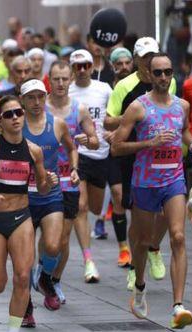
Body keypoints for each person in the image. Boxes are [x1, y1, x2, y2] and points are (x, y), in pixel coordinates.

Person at [111, 53, 192, 330]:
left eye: (167, 72)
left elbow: (183, 132)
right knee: (143, 241)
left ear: (172, 74)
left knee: (179, 237)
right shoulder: (138, 107)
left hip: (173, 179)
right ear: (149, 73)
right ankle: (140, 284)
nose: (163, 77)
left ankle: (178, 306)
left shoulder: (182, 106)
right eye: (157, 72)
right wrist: (148, 143)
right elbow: (116, 147)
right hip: (145, 182)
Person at [0, 95, 57, 332]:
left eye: (18, 113)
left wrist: (50, 182)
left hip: (21, 217)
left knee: (23, 276)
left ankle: (13, 327)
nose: (15, 118)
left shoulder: (34, 151)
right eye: (8, 114)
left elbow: (43, 188)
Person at [105, 37, 175, 291]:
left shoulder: (170, 80)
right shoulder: (125, 86)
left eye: (153, 56)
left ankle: (154, 247)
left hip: (165, 155)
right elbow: (108, 122)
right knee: (139, 218)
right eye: (145, 57)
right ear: (136, 60)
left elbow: (174, 112)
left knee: (168, 211)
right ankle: (136, 265)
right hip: (134, 156)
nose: (149, 62)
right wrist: (133, 117)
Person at [19, 79, 78, 326]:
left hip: (51, 193)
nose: (36, 102)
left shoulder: (58, 124)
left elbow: (72, 148)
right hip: (21, 198)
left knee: (54, 245)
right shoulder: (14, 126)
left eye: (40, 97)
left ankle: (45, 278)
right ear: (22, 100)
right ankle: (26, 307)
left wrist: (74, 169)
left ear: (46, 98)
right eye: (30, 98)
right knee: (24, 259)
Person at [67, 50, 130, 270]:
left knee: (95, 208)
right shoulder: (68, 91)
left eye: (86, 65)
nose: (82, 70)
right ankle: (88, 260)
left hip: (103, 153)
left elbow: (116, 115)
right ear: (72, 69)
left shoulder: (104, 89)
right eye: (77, 66)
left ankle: (103, 224)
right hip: (79, 155)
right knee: (81, 206)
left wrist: (115, 133)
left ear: (92, 67)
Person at [43, 60, 99, 305]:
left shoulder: (80, 109)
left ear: (71, 79)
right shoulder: (38, 107)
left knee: (63, 239)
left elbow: (95, 140)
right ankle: (40, 272)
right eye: (56, 78)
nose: (61, 83)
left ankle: (53, 280)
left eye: (65, 79)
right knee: (45, 237)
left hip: (68, 180)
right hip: (41, 181)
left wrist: (87, 141)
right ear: (49, 79)